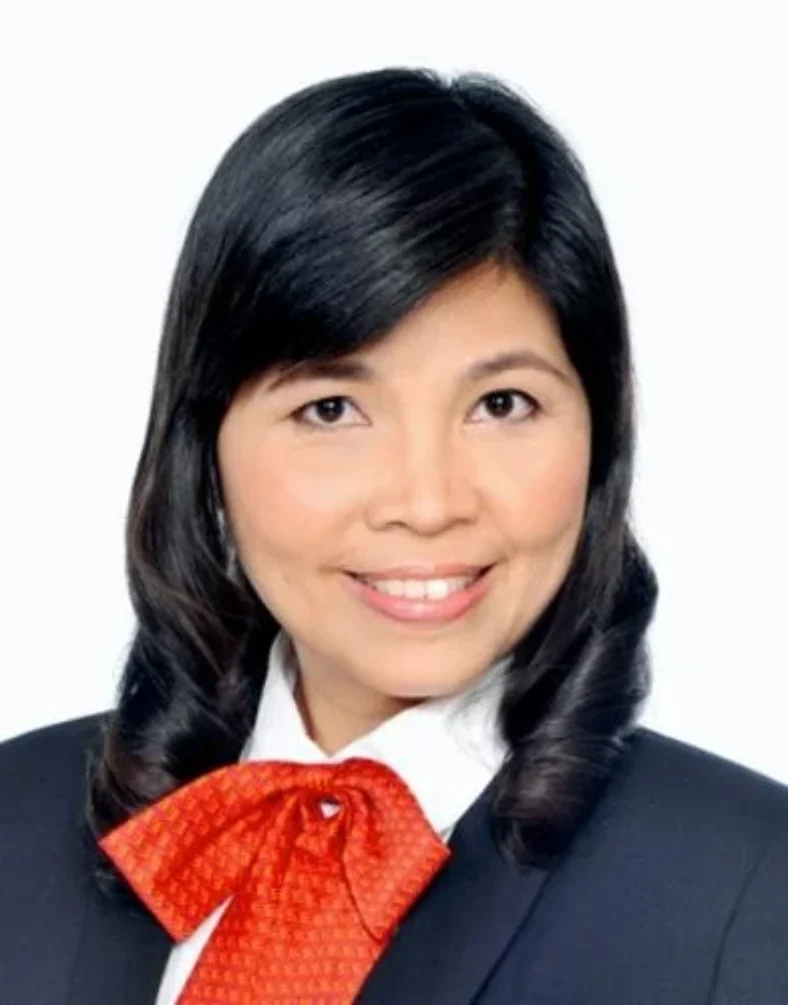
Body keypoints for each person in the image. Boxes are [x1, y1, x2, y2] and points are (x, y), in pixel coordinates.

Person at [1, 66, 786, 1005]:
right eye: (332, 409)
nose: (426, 501)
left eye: (502, 403)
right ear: (203, 446)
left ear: (600, 436)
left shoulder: (750, 883)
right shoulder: (15, 817)